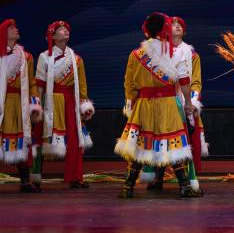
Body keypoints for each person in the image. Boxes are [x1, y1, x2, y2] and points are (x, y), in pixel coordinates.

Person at [115, 12, 200, 199]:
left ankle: (128, 186)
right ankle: (185, 186)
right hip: (168, 104)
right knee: (174, 144)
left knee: (139, 145)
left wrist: (132, 102)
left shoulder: (136, 55)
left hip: (143, 105)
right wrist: (188, 103)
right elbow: (185, 81)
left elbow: (129, 84)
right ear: (165, 30)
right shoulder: (175, 53)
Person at [145, 16, 208, 192]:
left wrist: (191, 103)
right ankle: (158, 177)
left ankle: (188, 181)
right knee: (159, 139)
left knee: (183, 141)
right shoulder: (159, 52)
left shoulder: (192, 55)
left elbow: (195, 82)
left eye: (180, 24)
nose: (177, 26)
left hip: (182, 102)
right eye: (173, 24)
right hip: (162, 102)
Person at [33, 20, 94, 190]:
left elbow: (82, 86)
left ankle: (75, 177)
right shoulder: (44, 57)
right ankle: (35, 177)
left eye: (66, 29)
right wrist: (37, 106)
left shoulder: (76, 59)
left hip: (70, 102)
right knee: (40, 138)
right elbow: (40, 85)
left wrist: (84, 105)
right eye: (61, 29)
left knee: (75, 139)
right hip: (50, 101)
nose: (66, 31)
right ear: (52, 36)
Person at [0, 19, 42, 192]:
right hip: (2, 103)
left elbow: (32, 83)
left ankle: (25, 181)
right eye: (11, 28)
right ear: (4, 33)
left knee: (23, 140)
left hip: (19, 103)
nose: (16, 29)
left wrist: (34, 103)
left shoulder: (26, 57)